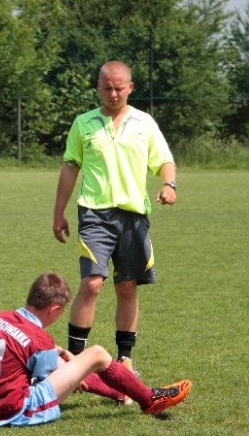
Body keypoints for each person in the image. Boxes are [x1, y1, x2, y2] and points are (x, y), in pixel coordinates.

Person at [52, 60, 177, 397]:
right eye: (107, 87)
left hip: (134, 216)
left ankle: (125, 360)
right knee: (92, 283)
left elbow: (164, 161)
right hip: (95, 214)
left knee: (127, 287)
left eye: (119, 88)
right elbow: (70, 167)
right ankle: (75, 362)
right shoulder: (83, 123)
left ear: (130, 88)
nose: (113, 93)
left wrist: (170, 185)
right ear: (98, 87)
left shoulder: (144, 123)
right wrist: (58, 213)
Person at [0, 272, 191, 427]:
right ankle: (150, 400)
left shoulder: (1, 317)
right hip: (10, 411)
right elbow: (53, 378)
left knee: (66, 363)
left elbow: (24, 349)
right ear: (54, 309)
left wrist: (62, 354)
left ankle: (121, 394)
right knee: (97, 354)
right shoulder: (39, 340)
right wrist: (71, 369)